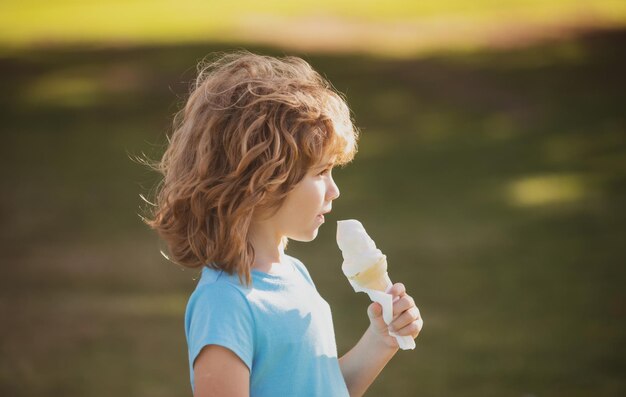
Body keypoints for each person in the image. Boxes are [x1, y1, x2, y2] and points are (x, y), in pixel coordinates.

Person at [143, 50, 423, 396]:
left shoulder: (294, 274)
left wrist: (381, 340)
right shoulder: (225, 303)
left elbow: (322, 388)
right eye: (321, 172)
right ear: (262, 183)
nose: (334, 190)